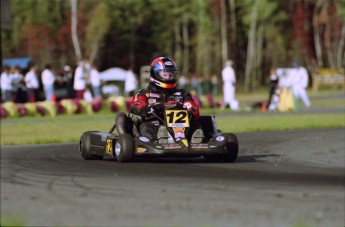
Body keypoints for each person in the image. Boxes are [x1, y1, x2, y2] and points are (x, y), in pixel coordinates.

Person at [116, 57, 204, 143]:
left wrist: (187, 110)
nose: (168, 77)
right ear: (155, 74)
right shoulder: (144, 94)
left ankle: (194, 139)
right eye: (165, 74)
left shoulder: (183, 94)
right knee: (145, 126)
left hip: (182, 128)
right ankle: (156, 142)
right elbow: (136, 107)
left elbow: (193, 109)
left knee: (197, 125)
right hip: (154, 124)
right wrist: (156, 107)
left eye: (171, 74)